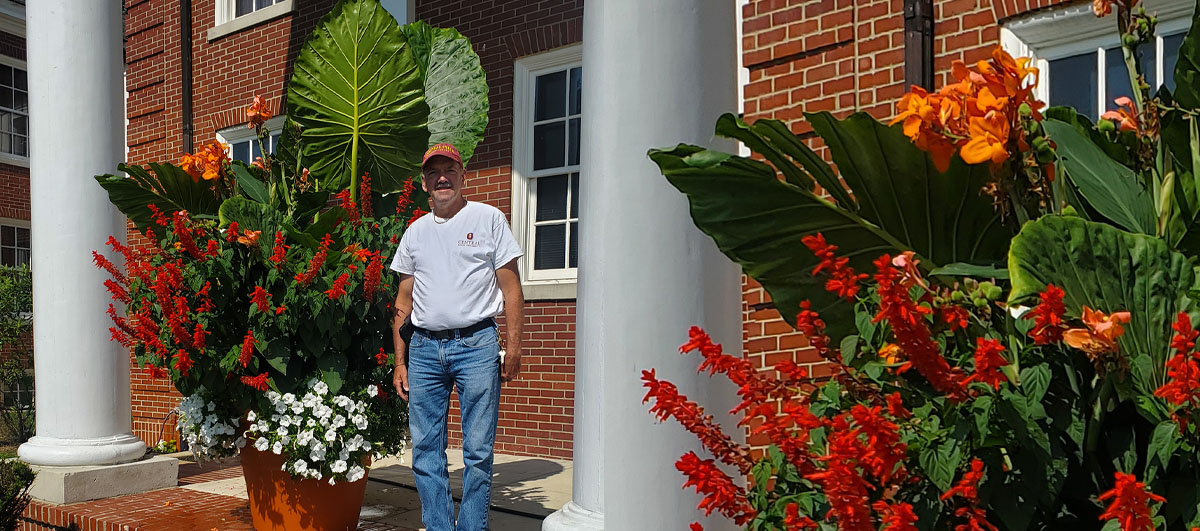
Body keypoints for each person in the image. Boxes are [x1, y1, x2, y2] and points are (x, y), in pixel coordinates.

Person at [389, 142, 525, 531]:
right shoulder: (415, 232)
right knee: (426, 451)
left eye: (450, 170)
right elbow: (403, 299)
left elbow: (511, 289)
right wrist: (401, 362)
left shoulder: (489, 219)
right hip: (425, 350)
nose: (442, 178)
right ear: (424, 184)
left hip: (477, 345)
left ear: (463, 176)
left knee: (478, 451)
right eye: (434, 173)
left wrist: (513, 347)